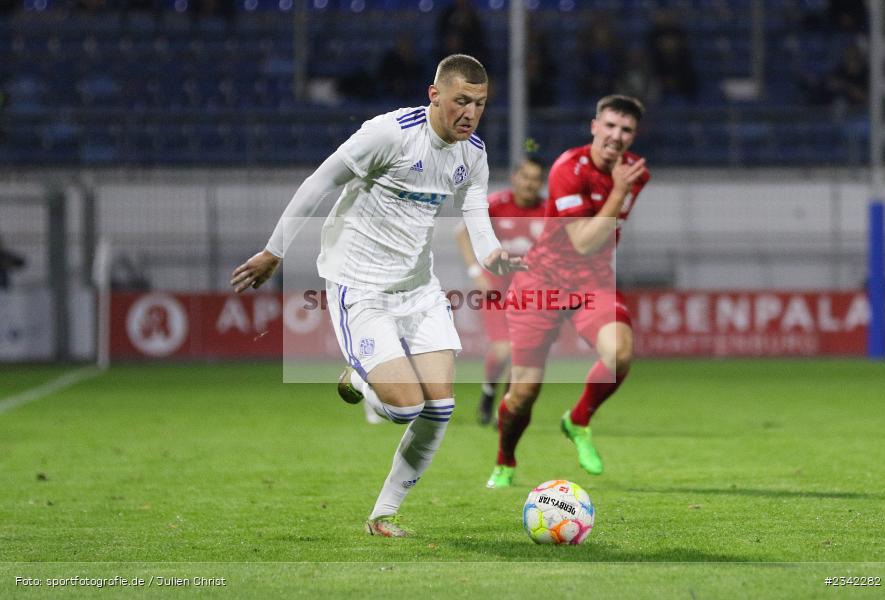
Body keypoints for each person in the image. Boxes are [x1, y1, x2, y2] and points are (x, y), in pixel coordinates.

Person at [230, 54, 522, 536]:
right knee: (404, 407)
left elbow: (476, 213)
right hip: (361, 287)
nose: (471, 113)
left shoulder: (472, 153)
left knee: (440, 407)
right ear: (435, 95)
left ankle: (383, 514)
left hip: (418, 289)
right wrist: (274, 251)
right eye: (461, 101)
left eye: (480, 103)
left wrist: (493, 256)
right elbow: (319, 182)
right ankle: (357, 380)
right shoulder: (389, 134)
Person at [486, 95, 650, 488]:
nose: (617, 135)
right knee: (523, 394)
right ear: (594, 126)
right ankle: (505, 460)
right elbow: (582, 241)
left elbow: (602, 238)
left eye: (626, 129)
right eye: (610, 125)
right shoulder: (567, 168)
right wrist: (617, 192)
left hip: (592, 282)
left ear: (633, 135)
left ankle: (578, 421)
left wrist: (619, 190)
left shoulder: (636, 173)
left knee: (620, 353)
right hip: (541, 282)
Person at [454, 156, 546, 426]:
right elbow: (462, 233)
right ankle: (488, 391)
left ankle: (505, 407)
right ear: (515, 177)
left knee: (521, 354)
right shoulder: (496, 204)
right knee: (504, 351)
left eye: (535, 179)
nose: (529, 184)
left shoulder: (548, 211)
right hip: (496, 290)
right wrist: (475, 272)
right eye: (525, 177)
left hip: (530, 294)